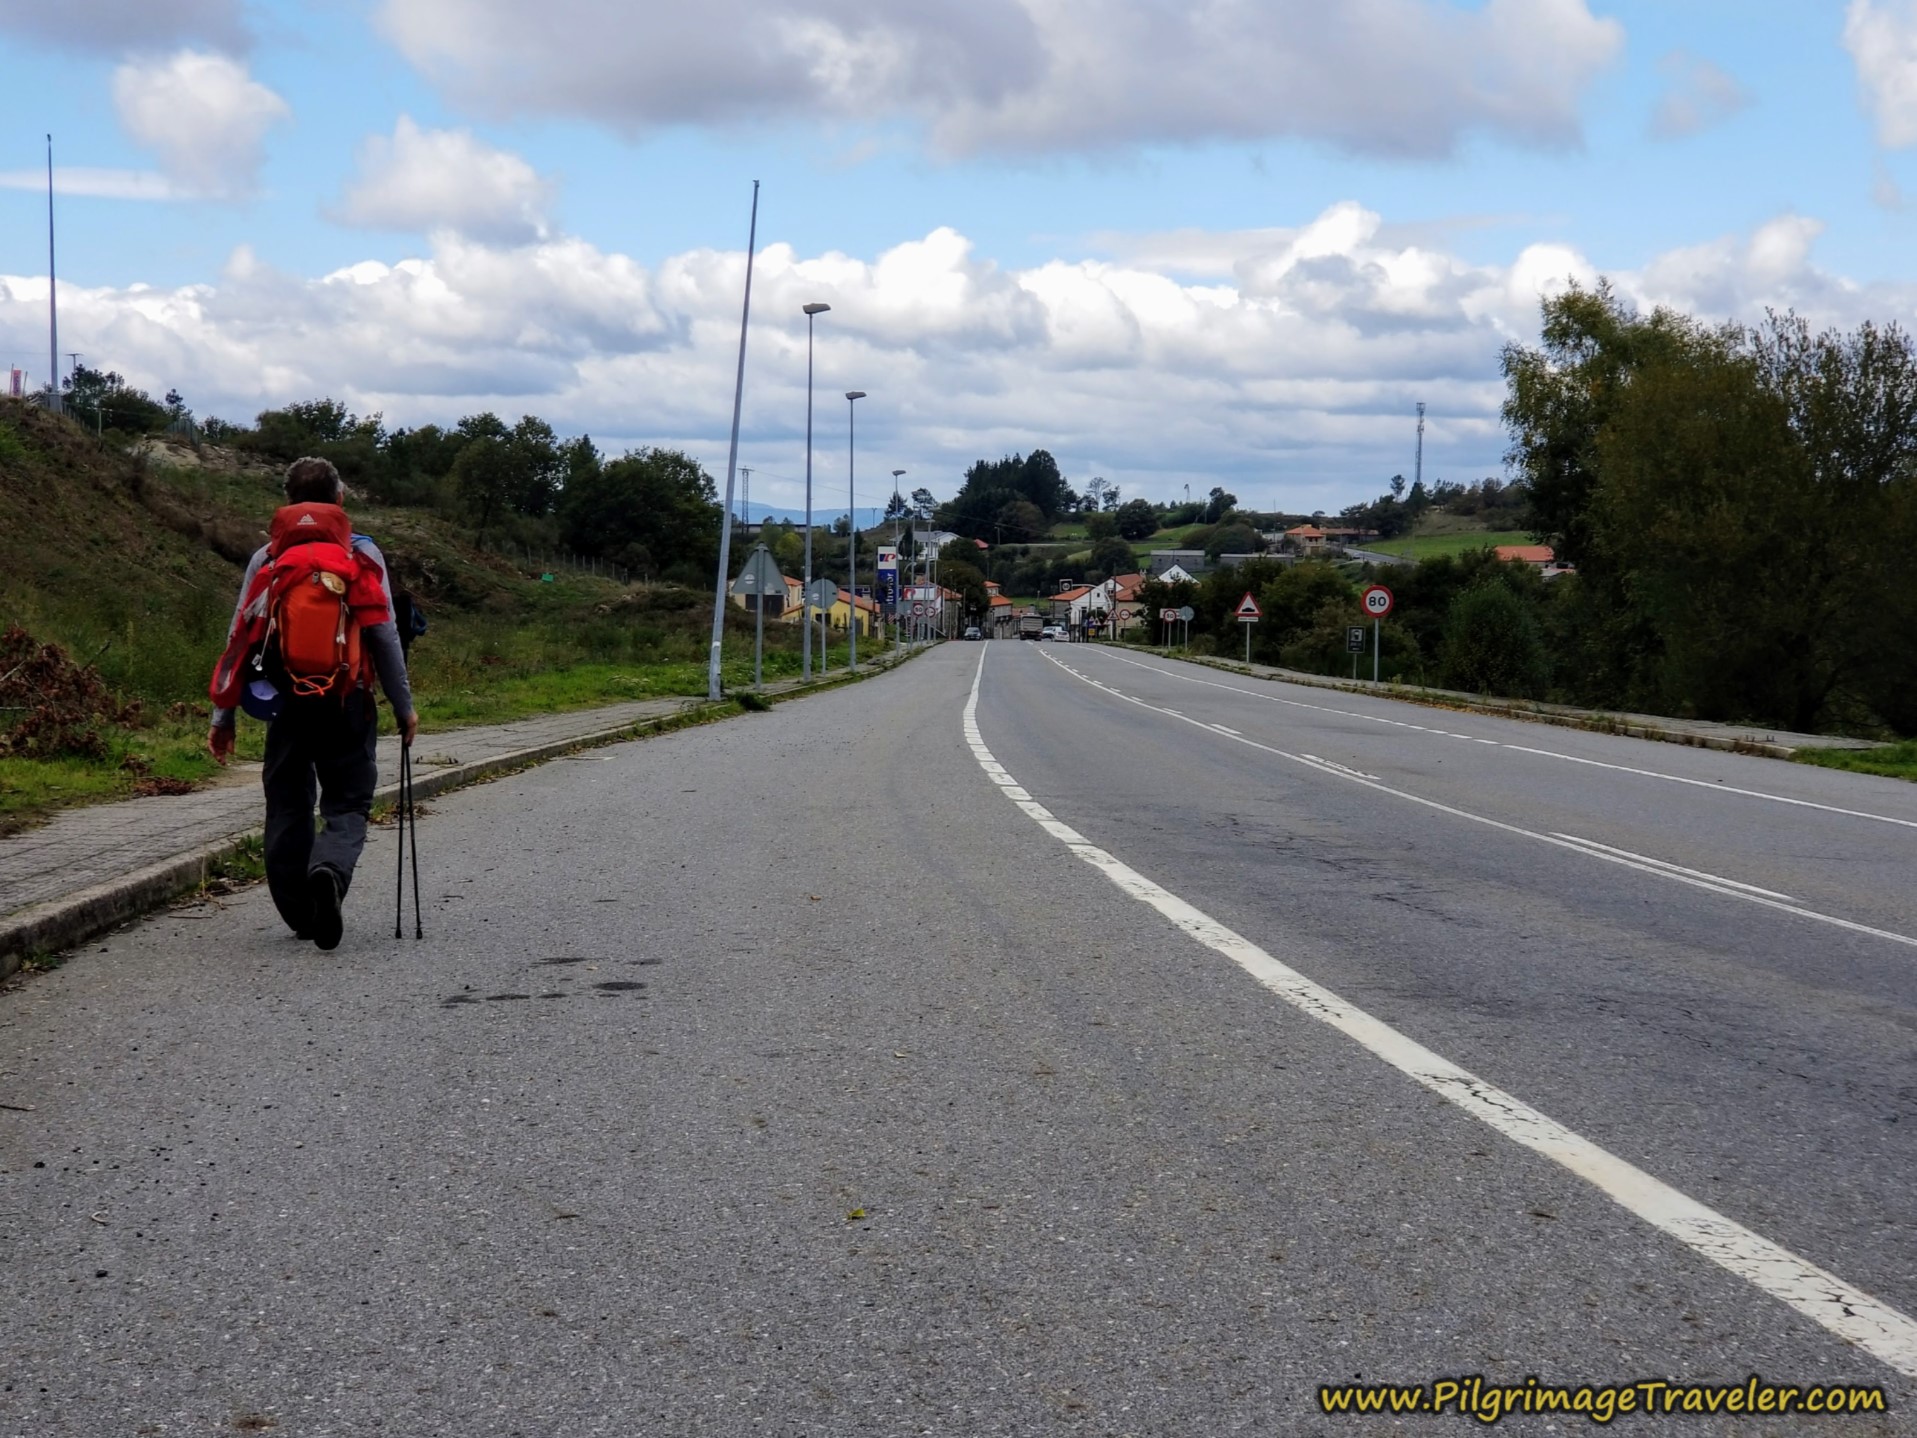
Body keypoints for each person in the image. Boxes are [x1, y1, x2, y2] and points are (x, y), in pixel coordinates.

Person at [207, 457, 418, 950]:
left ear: (287, 501)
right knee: (348, 800)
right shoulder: (361, 553)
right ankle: (330, 870)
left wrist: (223, 715)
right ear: (339, 498)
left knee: (287, 803)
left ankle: (303, 914)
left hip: (286, 704)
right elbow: (384, 634)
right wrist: (403, 705)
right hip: (348, 700)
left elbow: (240, 638)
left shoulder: (268, 558)